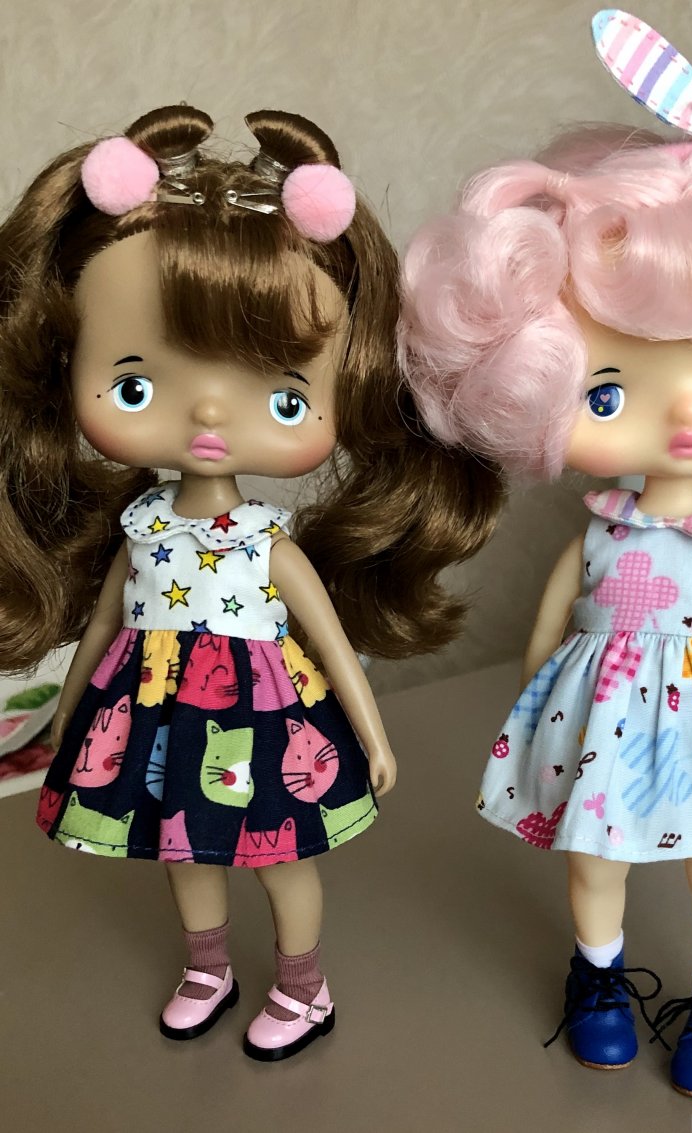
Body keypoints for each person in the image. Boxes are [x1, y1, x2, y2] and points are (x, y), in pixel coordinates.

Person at [0, 104, 502, 1061]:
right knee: (180, 849)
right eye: (137, 385)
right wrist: (68, 713)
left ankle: (303, 986)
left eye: (282, 396)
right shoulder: (143, 523)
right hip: (155, 711)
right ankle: (207, 969)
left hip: (264, 717)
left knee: (279, 856)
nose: (208, 416)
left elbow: (324, 637)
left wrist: (372, 731)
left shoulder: (267, 541)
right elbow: (105, 622)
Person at [398, 38, 692, 1092]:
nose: (685, 416)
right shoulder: (598, 531)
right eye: (608, 390)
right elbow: (549, 633)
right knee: (594, 858)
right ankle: (595, 974)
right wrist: (539, 723)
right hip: (603, 728)